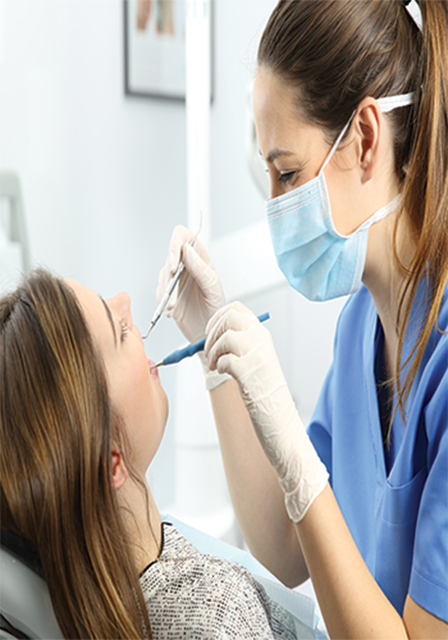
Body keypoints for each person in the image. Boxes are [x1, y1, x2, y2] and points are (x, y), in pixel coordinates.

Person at [157, 0, 448, 638]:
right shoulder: (360, 327)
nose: (275, 206)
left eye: (287, 173)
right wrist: (216, 350)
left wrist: (294, 449)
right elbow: (286, 548)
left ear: (365, 139)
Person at [0, 268, 308, 640]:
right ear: (110, 464)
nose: (126, 300)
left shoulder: (90, 601)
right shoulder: (216, 612)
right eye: (120, 331)